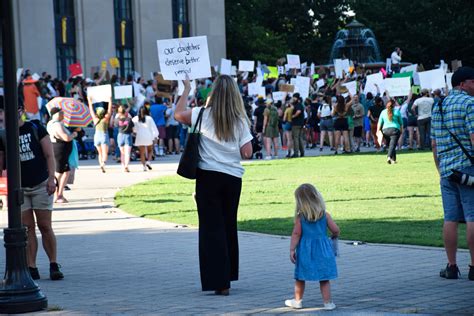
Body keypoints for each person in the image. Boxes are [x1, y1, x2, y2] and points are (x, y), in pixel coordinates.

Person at [174, 75, 253, 295]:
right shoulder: (240, 120)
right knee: (228, 226)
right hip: (232, 178)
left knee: (210, 229)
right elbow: (247, 152)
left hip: (208, 177)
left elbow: (178, 114)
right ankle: (227, 275)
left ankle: (218, 280)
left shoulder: (201, 113)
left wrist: (187, 89)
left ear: (213, 92)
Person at [0, 106, 64, 280]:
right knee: (27, 229)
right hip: (20, 188)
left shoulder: (35, 128)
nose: (3, 115)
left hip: (41, 184)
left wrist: (52, 178)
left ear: (19, 110)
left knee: (44, 226)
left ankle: (53, 264)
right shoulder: (4, 135)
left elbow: (50, 156)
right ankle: (31, 266)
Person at [431, 66, 474, 281]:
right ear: (462, 84)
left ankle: (451, 266)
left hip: (446, 170)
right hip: (467, 168)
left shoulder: (438, 106)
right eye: (473, 82)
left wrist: (440, 169)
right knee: (472, 216)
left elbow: (434, 144)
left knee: (450, 218)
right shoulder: (469, 103)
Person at [285, 183, 339, 310]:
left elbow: (296, 234)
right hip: (323, 250)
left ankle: (297, 301)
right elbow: (335, 229)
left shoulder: (301, 218)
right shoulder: (325, 215)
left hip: (305, 251)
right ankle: (328, 303)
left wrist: (292, 249)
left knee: (300, 276)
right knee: (324, 277)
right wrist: (334, 236)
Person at [46, 107, 77, 203]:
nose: (63, 115)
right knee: (58, 173)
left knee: (66, 172)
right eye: (61, 113)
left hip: (61, 151)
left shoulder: (54, 123)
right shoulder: (56, 125)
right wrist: (74, 134)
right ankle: (56, 195)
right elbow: (66, 137)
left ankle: (60, 194)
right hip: (59, 151)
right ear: (55, 114)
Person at [87, 96, 113, 173]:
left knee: (100, 153)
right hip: (104, 135)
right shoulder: (106, 119)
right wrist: (110, 100)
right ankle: (103, 163)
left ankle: (100, 164)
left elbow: (91, 110)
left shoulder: (95, 119)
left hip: (97, 136)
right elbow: (109, 110)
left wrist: (89, 101)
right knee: (105, 153)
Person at [377, 99, 403, 164]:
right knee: (392, 144)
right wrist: (401, 130)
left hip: (385, 130)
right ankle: (389, 157)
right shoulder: (397, 112)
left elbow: (379, 123)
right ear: (394, 105)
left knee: (391, 145)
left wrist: (378, 131)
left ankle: (393, 160)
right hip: (394, 129)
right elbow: (401, 123)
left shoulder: (383, 112)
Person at [132, 106, 158, 171]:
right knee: (150, 150)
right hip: (148, 135)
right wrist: (155, 136)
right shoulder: (149, 118)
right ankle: (148, 161)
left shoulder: (135, 118)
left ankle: (144, 166)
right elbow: (153, 128)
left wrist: (135, 132)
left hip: (140, 135)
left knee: (142, 152)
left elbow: (133, 128)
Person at [115, 104, 134, 172]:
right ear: (125, 111)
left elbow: (114, 125)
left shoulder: (117, 119)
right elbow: (133, 127)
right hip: (128, 135)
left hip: (120, 135)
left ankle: (123, 166)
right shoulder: (129, 119)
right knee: (127, 153)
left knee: (122, 153)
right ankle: (126, 166)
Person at [291, 94, 305, 158]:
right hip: (300, 123)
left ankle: (296, 153)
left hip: (296, 124)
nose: (293, 99)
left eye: (294, 98)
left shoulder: (298, 105)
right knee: (300, 138)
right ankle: (302, 152)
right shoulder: (299, 104)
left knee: (296, 138)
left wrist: (293, 116)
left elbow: (298, 112)